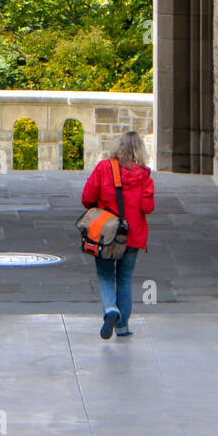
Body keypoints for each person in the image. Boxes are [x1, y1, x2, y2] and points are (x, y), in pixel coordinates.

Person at [81, 130, 154, 339]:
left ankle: (110, 309)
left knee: (105, 274)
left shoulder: (105, 168)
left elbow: (87, 198)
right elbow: (148, 207)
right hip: (132, 235)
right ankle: (122, 326)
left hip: (106, 235)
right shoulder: (144, 176)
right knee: (124, 278)